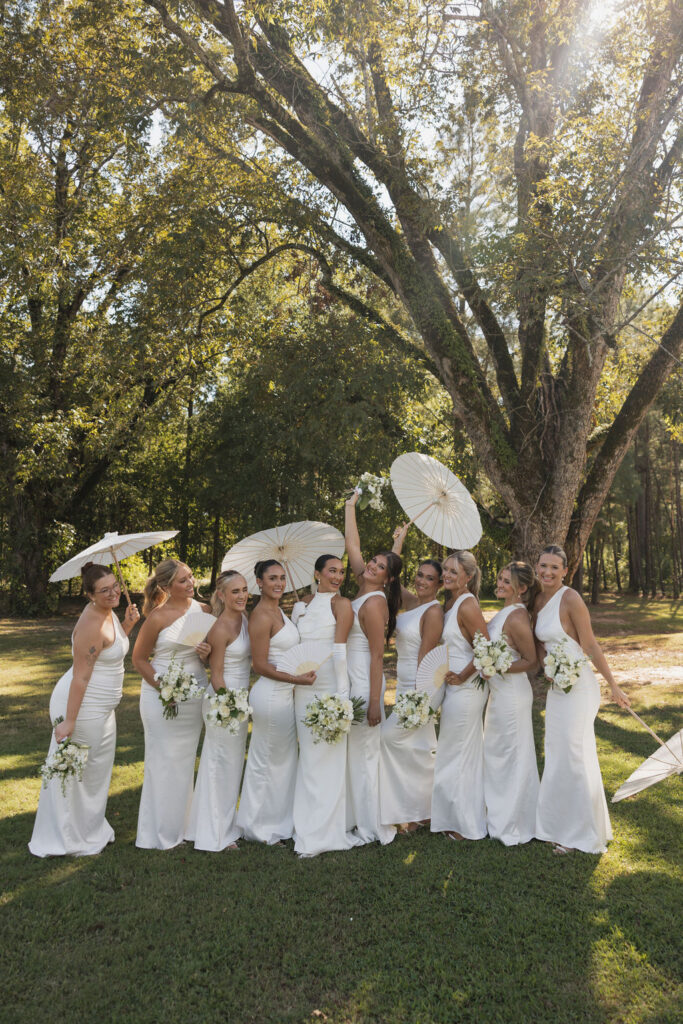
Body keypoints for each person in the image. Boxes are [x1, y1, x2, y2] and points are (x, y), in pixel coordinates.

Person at [29, 563, 140, 857]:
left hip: (102, 708)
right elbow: (81, 676)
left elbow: (110, 651)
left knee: (94, 771)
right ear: (89, 594)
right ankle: (68, 838)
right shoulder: (92, 622)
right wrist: (70, 721)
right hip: (83, 705)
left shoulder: (109, 612)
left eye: (115, 586)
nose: (113, 592)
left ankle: (90, 829)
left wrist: (127, 625)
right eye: (104, 590)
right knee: (77, 773)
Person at [534, 545, 630, 854]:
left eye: (554, 567)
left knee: (574, 755)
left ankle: (582, 836)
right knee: (558, 753)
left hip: (581, 688)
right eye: (543, 566)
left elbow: (589, 644)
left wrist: (613, 686)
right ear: (537, 567)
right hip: (558, 688)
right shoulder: (537, 600)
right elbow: (541, 643)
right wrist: (546, 668)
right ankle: (558, 826)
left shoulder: (571, 598)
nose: (548, 572)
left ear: (565, 571)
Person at [133, 559, 211, 850]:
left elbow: (209, 655)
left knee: (184, 760)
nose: (191, 584)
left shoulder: (204, 610)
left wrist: (205, 653)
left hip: (194, 693)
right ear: (166, 587)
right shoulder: (157, 617)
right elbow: (139, 659)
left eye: (191, 577)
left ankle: (185, 825)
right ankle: (160, 832)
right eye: (183, 581)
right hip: (160, 694)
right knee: (163, 761)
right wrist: (163, 689)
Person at [236, 560, 316, 844]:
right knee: (266, 761)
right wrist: (298, 681)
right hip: (271, 694)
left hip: (286, 695)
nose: (279, 583)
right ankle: (259, 827)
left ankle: (278, 820)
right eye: (272, 578)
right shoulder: (260, 616)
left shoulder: (281, 610)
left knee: (282, 762)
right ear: (259, 582)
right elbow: (259, 665)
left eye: (282, 578)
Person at [290, 554, 362, 856]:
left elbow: (340, 649)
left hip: (329, 686)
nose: (338, 577)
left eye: (341, 572)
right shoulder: (302, 603)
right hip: (302, 688)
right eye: (331, 571)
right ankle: (306, 822)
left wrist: (341, 696)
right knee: (308, 757)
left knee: (329, 759)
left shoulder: (341, 605)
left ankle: (328, 827)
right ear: (317, 573)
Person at [344, 492, 400, 845]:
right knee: (352, 754)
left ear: (387, 580)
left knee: (364, 756)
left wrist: (376, 701)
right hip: (347, 679)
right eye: (373, 562)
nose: (371, 566)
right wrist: (350, 506)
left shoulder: (376, 603)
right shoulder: (361, 588)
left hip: (364, 685)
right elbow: (352, 545)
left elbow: (378, 657)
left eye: (380, 567)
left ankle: (368, 824)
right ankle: (352, 815)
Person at [380, 523, 443, 830]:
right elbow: (390, 584)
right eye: (419, 574)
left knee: (389, 739)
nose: (421, 581)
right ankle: (419, 813)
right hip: (404, 685)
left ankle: (419, 811)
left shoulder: (432, 612)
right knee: (417, 752)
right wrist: (398, 544)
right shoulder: (414, 603)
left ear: (440, 584)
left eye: (429, 578)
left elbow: (426, 658)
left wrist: (419, 699)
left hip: (419, 688)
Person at [186, 571, 250, 852]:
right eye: (235, 591)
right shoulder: (221, 626)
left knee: (230, 766)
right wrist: (229, 707)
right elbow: (217, 674)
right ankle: (216, 835)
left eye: (245, 589)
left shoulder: (245, 619)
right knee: (219, 766)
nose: (241, 596)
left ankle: (217, 825)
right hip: (223, 702)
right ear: (221, 595)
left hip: (239, 700)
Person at [431, 549, 490, 841]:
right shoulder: (450, 602)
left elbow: (486, 649)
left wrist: (464, 675)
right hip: (452, 686)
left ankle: (466, 824)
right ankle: (450, 815)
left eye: (454, 571)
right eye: (445, 570)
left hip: (467, 688)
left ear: (468, 576)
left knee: (460, 753)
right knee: (453, 751)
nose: (447, 575)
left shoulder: (467, 605)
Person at [483, 561, 540, 846]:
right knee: (498, 752)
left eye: (508, 582)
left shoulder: (517, 617)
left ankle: (516, 819)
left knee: (513, 754)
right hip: (498, 693)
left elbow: (531, 661)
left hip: (513, 693)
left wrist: (497, 667)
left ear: (523, 588)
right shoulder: (504, 610)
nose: (501, 584)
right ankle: (497, 810)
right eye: (501, 578)